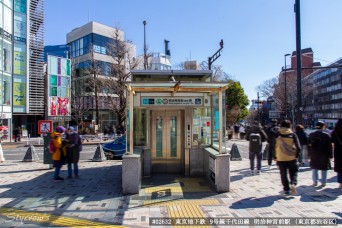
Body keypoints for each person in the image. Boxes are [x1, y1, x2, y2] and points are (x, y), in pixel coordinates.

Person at [274, 120, 302, 195]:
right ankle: (293, 183)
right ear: (289, 126)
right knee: (294, 171)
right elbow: (299, 147)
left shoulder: (277, 134)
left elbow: (273, 146)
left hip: (280, 157)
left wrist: (274, 156)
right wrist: (296, 156)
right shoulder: (293, 135)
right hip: (291, 157)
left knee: (283, 174)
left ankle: (286, 190)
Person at [308, 121, 333, 187]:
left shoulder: (311, 134)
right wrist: (330, 155)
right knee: (324, 168)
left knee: (315, 168)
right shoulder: (326, 135)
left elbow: (309, 145)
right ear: (323, 127)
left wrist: (309, 154)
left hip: (314, 153)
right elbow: (329, 146)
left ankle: (315, 182)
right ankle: (323, 182)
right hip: (324, 154)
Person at [331, 119, 342, 189]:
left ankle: (340, 184)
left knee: (340, 168)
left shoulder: (334, 132)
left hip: (338, 152)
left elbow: (332, 143)